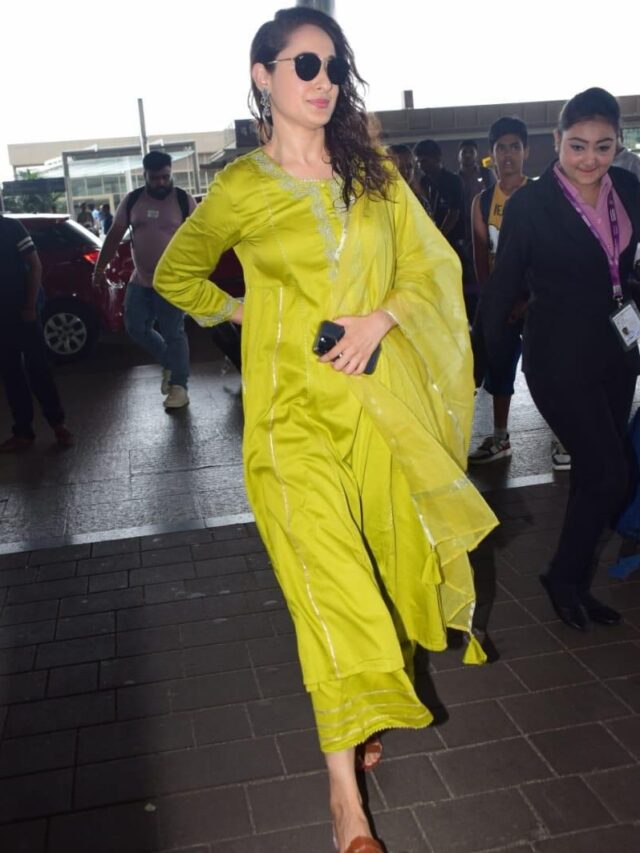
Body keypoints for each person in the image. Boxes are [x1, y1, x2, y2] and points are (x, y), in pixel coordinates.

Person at [154, 8, 496, 852]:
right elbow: (176, 272)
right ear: (263, 74)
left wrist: (383, 317)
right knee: (331, 585)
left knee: (380, 575)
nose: (323, 79)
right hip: (288, 422)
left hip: (376, 415)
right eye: (305, 63)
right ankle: (346, 804)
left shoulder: (371, 171)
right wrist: (243, 309)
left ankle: (360, 706)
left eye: (334, 66)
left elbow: (430, 264)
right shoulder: (241, 185)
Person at [481, 87, 640, 631]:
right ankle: (563, 576)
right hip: (556, 358)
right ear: (557, 142)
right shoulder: (531, 203)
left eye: (602, 146)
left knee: (598, 474)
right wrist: (486, 363)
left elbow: (623, 264)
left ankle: (569, 579)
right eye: (577, 146)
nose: (590, 160)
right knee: (610, 470)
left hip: (618, 355)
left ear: (618, 144)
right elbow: (501, 290)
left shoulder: (628, 187)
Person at [92, 151, 196, 409]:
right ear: (145, 175)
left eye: (165, 177)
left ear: (171, 173)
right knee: (136, 327)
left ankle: (179, 387)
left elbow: (201, 239)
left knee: (174, 333)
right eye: (155, 178)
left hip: (173, 281)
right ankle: (170, 364)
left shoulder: (183, 200)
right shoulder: (133, 200)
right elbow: (115, 235)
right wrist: (99, 268)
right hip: (141, 280)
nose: (161, 183)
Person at [468, 116, 530, 464]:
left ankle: (566, 437)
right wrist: (491, 299)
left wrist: (527, 300)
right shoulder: (481, 201)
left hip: (537, 300)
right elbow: (479, 253)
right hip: (499, 301)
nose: (508, 155)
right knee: (497, 368)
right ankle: (501, 437)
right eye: (501, 148)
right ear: (492, 154)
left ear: (526, 152)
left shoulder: (539, 195)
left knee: (550, 369)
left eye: (515, 147)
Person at [0, 214, 74, 451]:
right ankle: (23, 431)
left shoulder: (11, 227)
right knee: (11, 374)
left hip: (23, 312)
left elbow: (35, 265)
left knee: (38, 369)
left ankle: (58, 425)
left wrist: (30, 305)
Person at [458, 139, 496, 322]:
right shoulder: (455, 179)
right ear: (459, 156)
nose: (466, 155)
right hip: (463, 236)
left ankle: (488, 309)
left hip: (486, 231)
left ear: (476, 155)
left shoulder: (487, 174)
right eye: (463, 152)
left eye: (470, 152)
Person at [414, 138, 465, 248]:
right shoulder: (424, 182)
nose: (420, 166)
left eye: (424, 161)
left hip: (454, 239)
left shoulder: (454, 181)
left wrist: (438, 237)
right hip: (433, 240)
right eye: (418, 162)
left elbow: (454, 214)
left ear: (437, 158)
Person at [387, 143, 433, 217]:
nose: (405, 171)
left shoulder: (420, 201)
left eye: (409, 167)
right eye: (400, 167)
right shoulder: (380, 202)